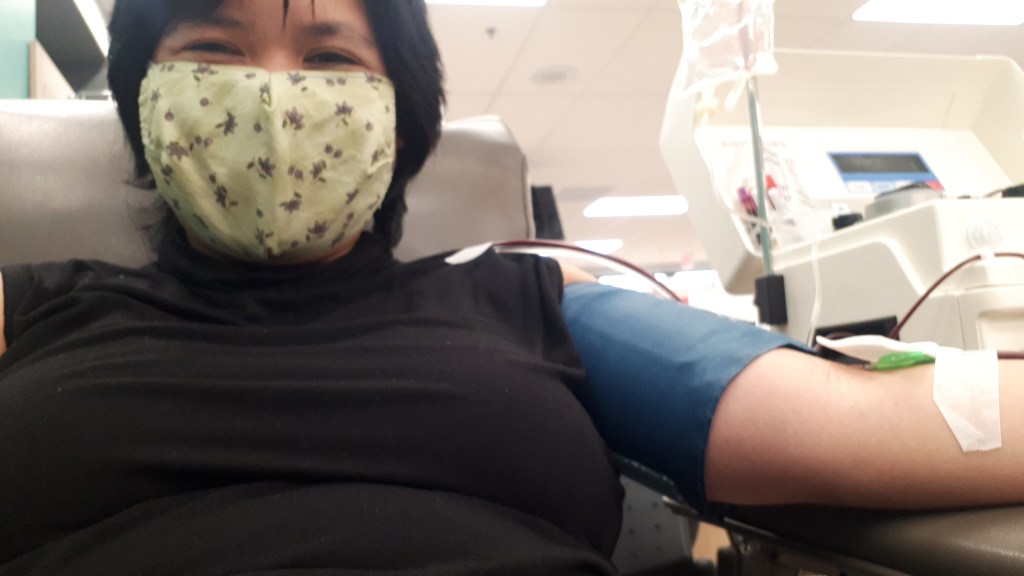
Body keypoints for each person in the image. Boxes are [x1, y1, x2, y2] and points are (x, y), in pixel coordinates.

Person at [0, 0, 1022, 574]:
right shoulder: (34, 307)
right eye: (214, 50)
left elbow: (879, 424)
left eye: (326, 56)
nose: (274, 97)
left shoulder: (526, 301)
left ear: (397, 120)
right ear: (146, 104)